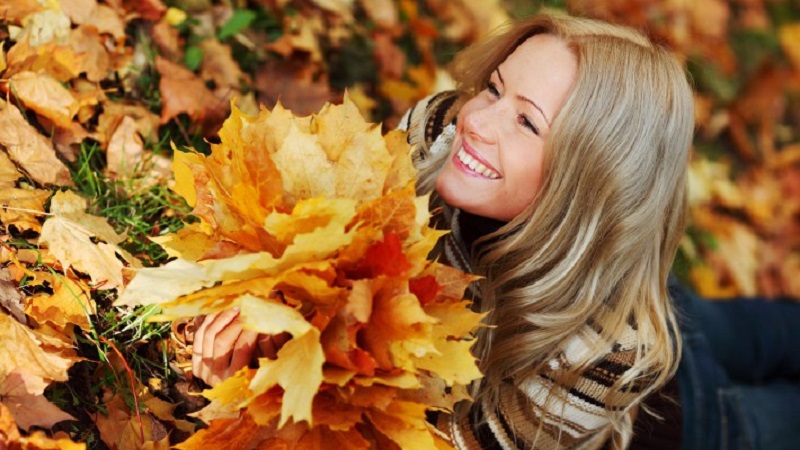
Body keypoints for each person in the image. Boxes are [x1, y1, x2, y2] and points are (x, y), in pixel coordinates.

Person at [192, 11, 800, 449]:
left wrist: (277, 394)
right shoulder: (439, 134)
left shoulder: (596, 359)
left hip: (681, 410)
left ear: (590, 183)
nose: (478, 120)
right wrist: (272, 337)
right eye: (495, 87)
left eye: (528, 124)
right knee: (751, 325)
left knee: (775, 400)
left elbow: (435, 437)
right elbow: (335, 240)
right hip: (625, 290)